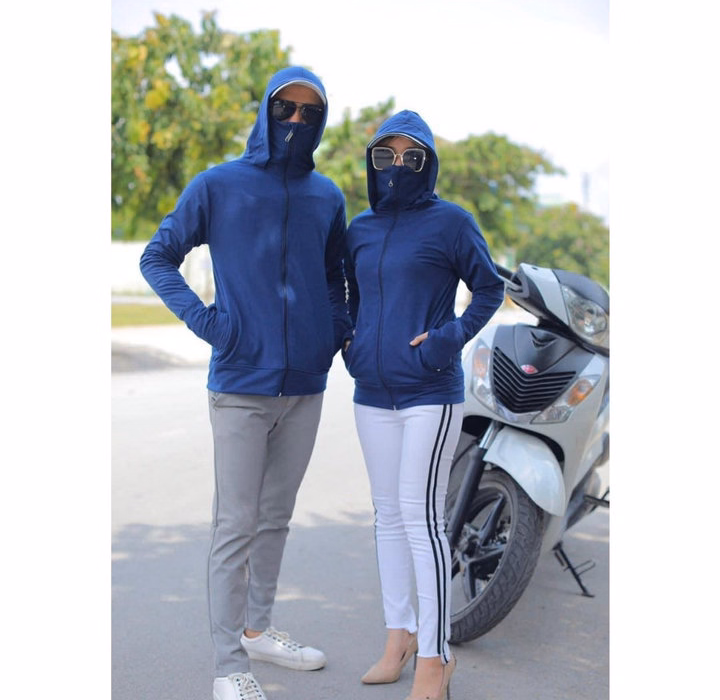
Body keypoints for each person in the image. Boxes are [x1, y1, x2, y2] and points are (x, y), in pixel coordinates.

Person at [139, 66, 351, 700]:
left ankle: (258, 632)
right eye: (286, 108)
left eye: (309, 113)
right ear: (266, 111)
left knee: (275, 518)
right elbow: (157, 256)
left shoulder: (326, 196)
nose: (296, 121)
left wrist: (332, 333)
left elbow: (336, 276)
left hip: (306, 386)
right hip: (239, 383)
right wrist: (211, 325)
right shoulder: (218, 185)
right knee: (235, 525)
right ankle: (229, 666)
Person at [343, 110, 505, 700]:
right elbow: (351, 295)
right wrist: (350, 340)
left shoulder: (451, 222)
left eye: (412, 156)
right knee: (387, 515)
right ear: (372, 161)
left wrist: (447, 339)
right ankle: (399, 637)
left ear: (427, 163)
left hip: (429, 393)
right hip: (371, 392)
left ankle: (436, 658)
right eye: (385, 155)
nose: (397, 165)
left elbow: (489, 287)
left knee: (422, 519)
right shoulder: (359, 228)